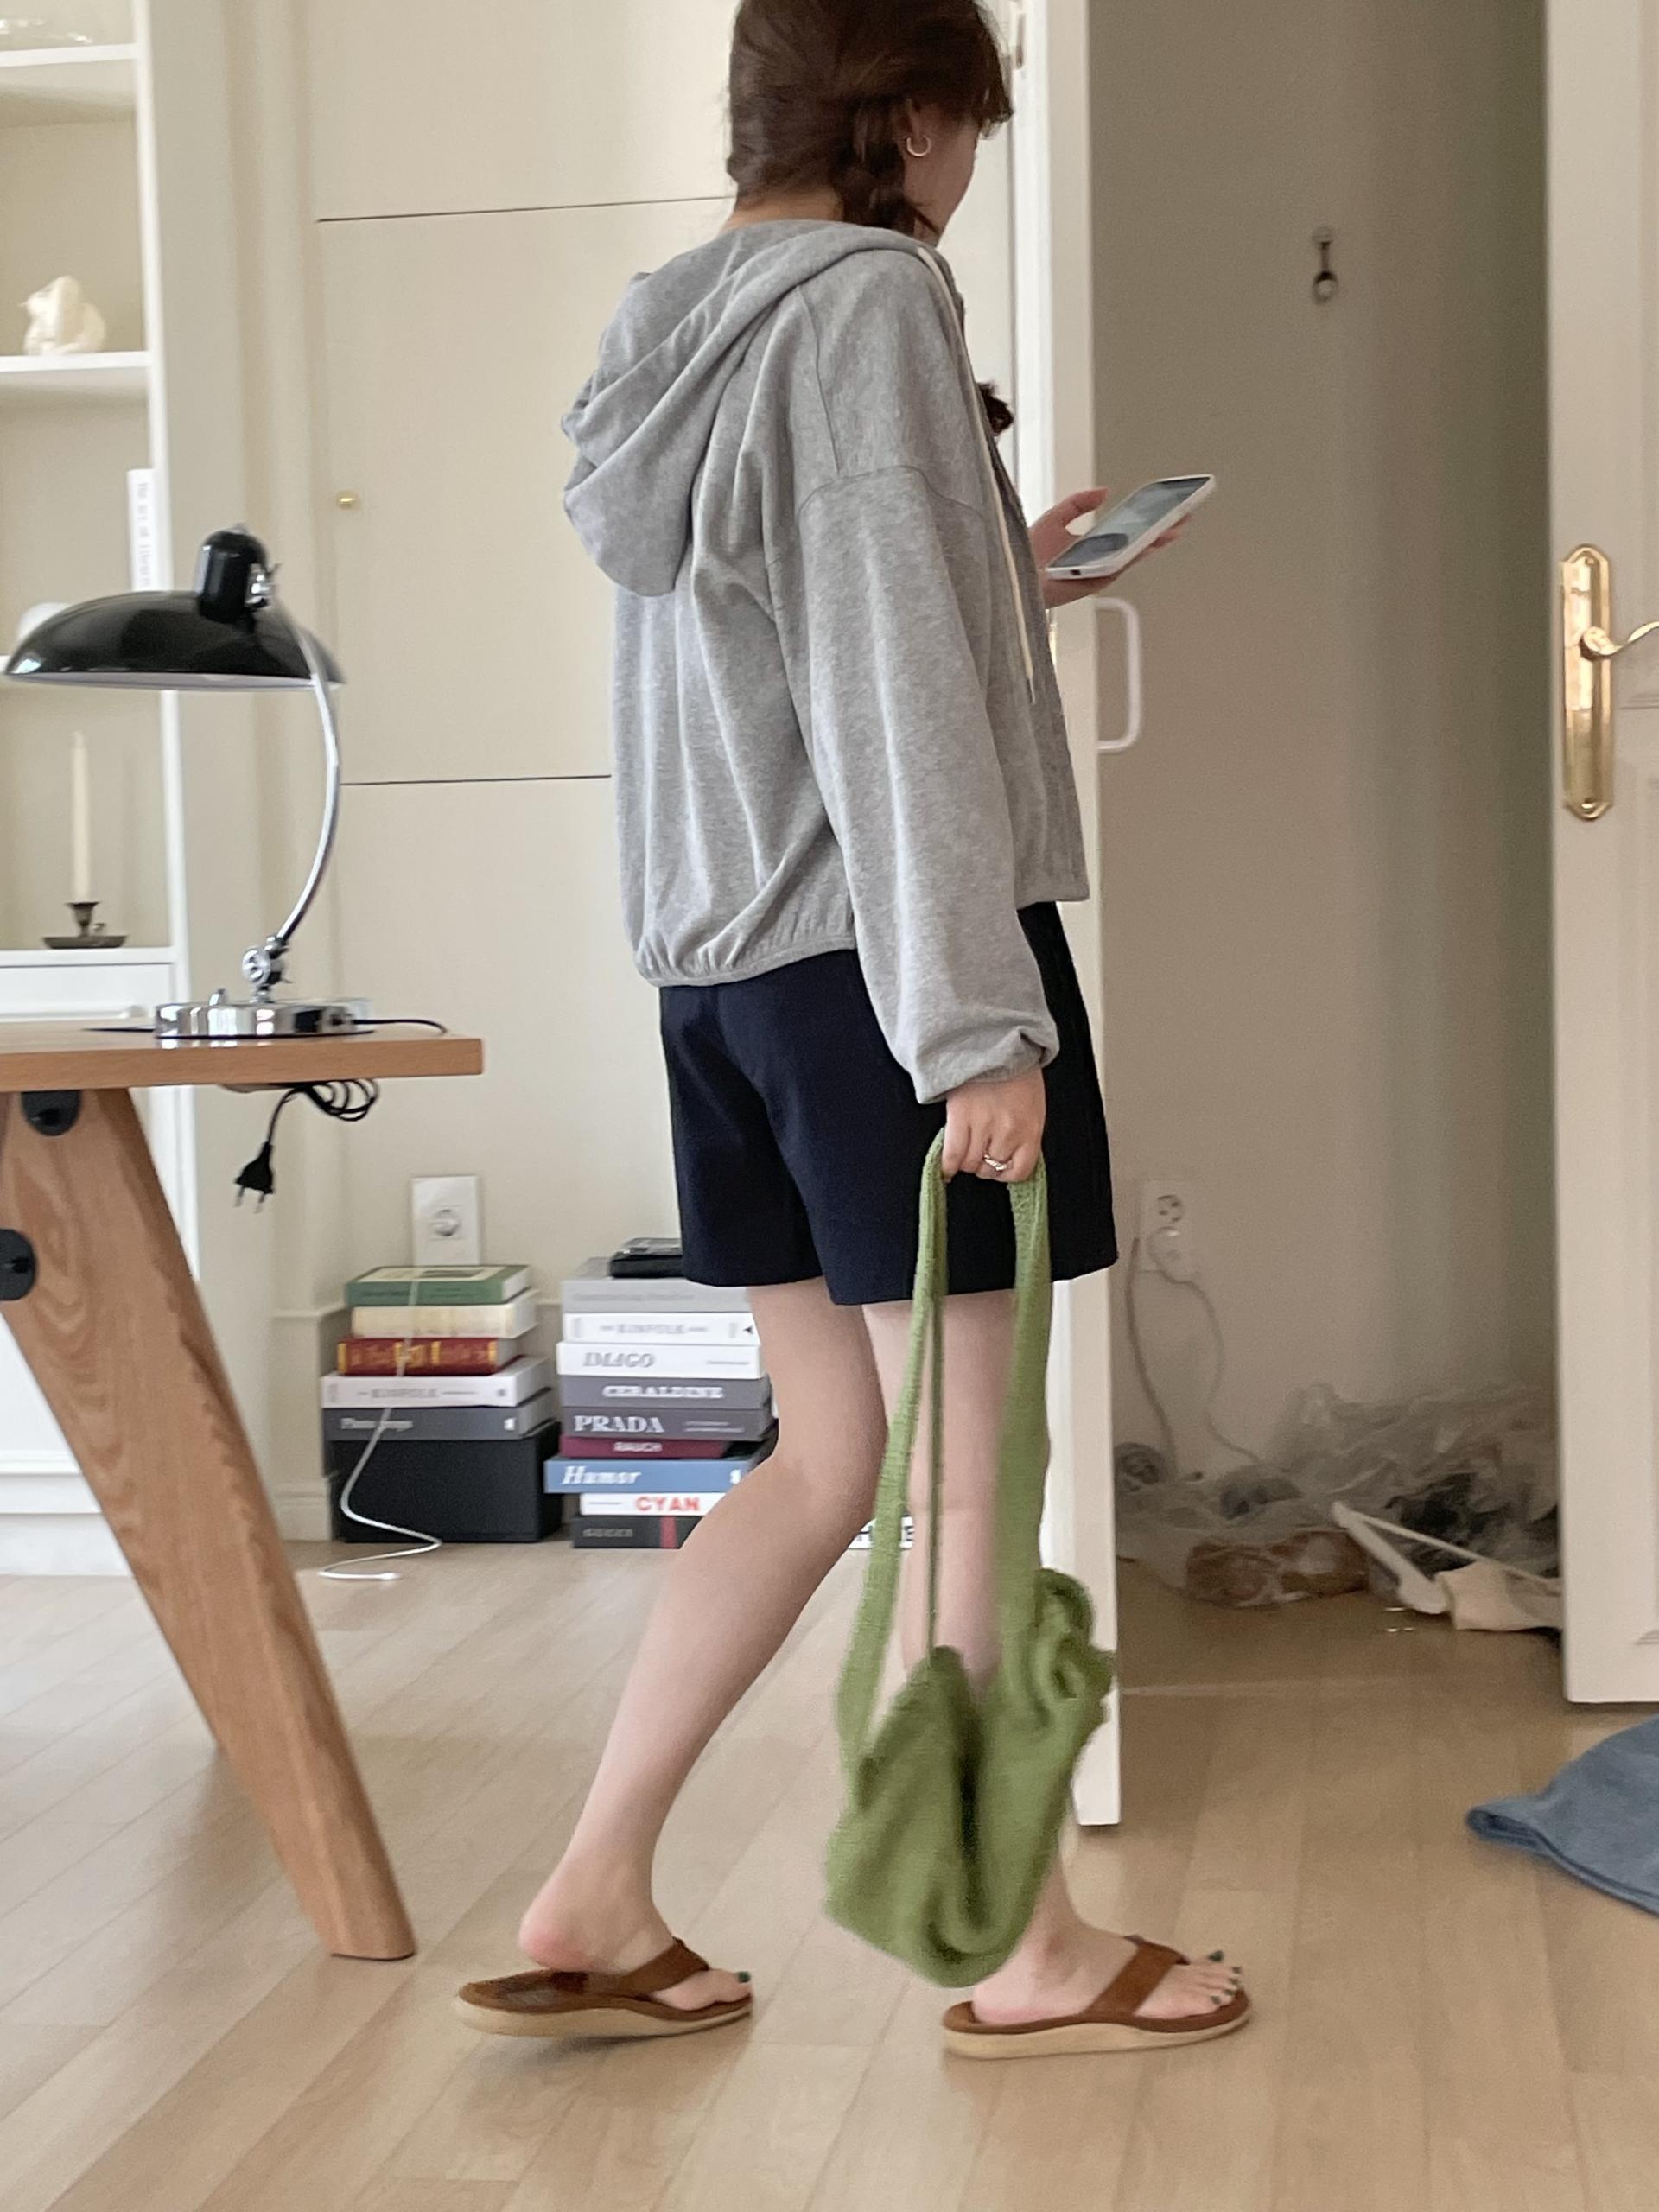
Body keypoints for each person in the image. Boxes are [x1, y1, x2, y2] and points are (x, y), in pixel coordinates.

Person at [458, 0, 1249, 2057]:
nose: (969, 171)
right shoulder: (872, 302)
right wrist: (977, 1019)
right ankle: (1024, 1944)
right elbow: (886, 690)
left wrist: (1004, 575)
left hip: (725, 973)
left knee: (833, 1458)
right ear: (904, 117)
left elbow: (808, 636)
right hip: (888, 975)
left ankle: (596, 1888)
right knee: (967, 1482)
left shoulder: (674, 323)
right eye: (968, 128)